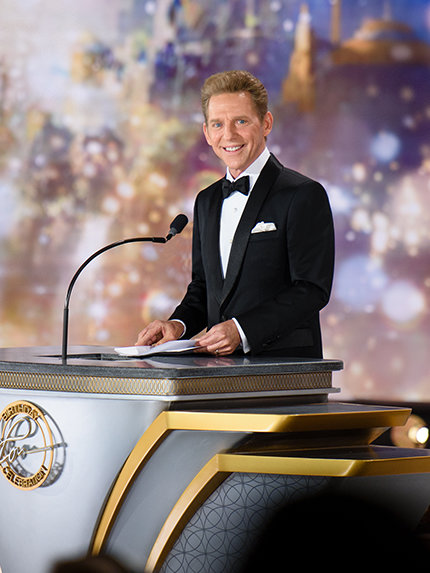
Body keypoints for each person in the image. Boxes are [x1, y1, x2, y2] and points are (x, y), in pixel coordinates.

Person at [136, 70, 334, 358]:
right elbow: (204, 287)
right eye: (218, 124)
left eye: (241, 121)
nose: (228, 135)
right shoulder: (206, 201)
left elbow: (311, 289)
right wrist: (178, 325)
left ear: (266, 123)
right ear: (207, 133)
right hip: (217, 371)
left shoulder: (303, 194)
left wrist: (241, 330)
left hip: (285, 369)